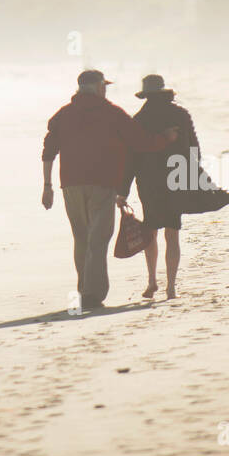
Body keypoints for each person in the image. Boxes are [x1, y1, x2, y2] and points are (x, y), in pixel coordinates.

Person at [41, 70, 178, 309]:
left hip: (70, 185)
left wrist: (47, 186)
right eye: (103, 86)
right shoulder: (111, 113)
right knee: (98, 238)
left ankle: (84, 290)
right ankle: (93, 295)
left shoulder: (63, 115)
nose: (105, 89)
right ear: (97, 87)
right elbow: (140, 141)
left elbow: (49, 151)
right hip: (102, 184)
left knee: (81, 237)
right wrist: (165, 139)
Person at [122, 74, 200, 300]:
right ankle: (171, 286)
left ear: (145, 94)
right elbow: (194, 149)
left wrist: (123, 190)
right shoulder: (181, 115)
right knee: (172, 232)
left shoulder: (138, 119)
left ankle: (152, 281)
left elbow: (131, 157)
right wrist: (193, 176)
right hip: (175, 177)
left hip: (148, 181)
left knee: (151, 229)